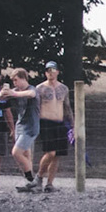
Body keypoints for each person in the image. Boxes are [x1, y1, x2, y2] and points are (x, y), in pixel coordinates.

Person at [0, 68, 41, 191]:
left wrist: (13, 94)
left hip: (31, 127)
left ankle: (31, 180)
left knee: (16, 152)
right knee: (26, 155)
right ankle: (29, 183)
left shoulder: (32, 89)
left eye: (16, 80)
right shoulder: (16, 90)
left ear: (23, 78)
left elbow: (31, 94)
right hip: (20, 126)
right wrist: (4, 92)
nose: (14, 83)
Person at [34, 60, 71, 192]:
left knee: (57, 155)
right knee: (50, 152)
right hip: (46, 122)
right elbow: (35, 107)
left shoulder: (64, 89)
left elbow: (67, 107)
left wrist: (72, 123)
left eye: (53, 70)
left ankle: (50, 183)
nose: (50, 73)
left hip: (60, 123)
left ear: (57, 72)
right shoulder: (40, 88)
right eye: (48, 70)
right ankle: (39, 176)